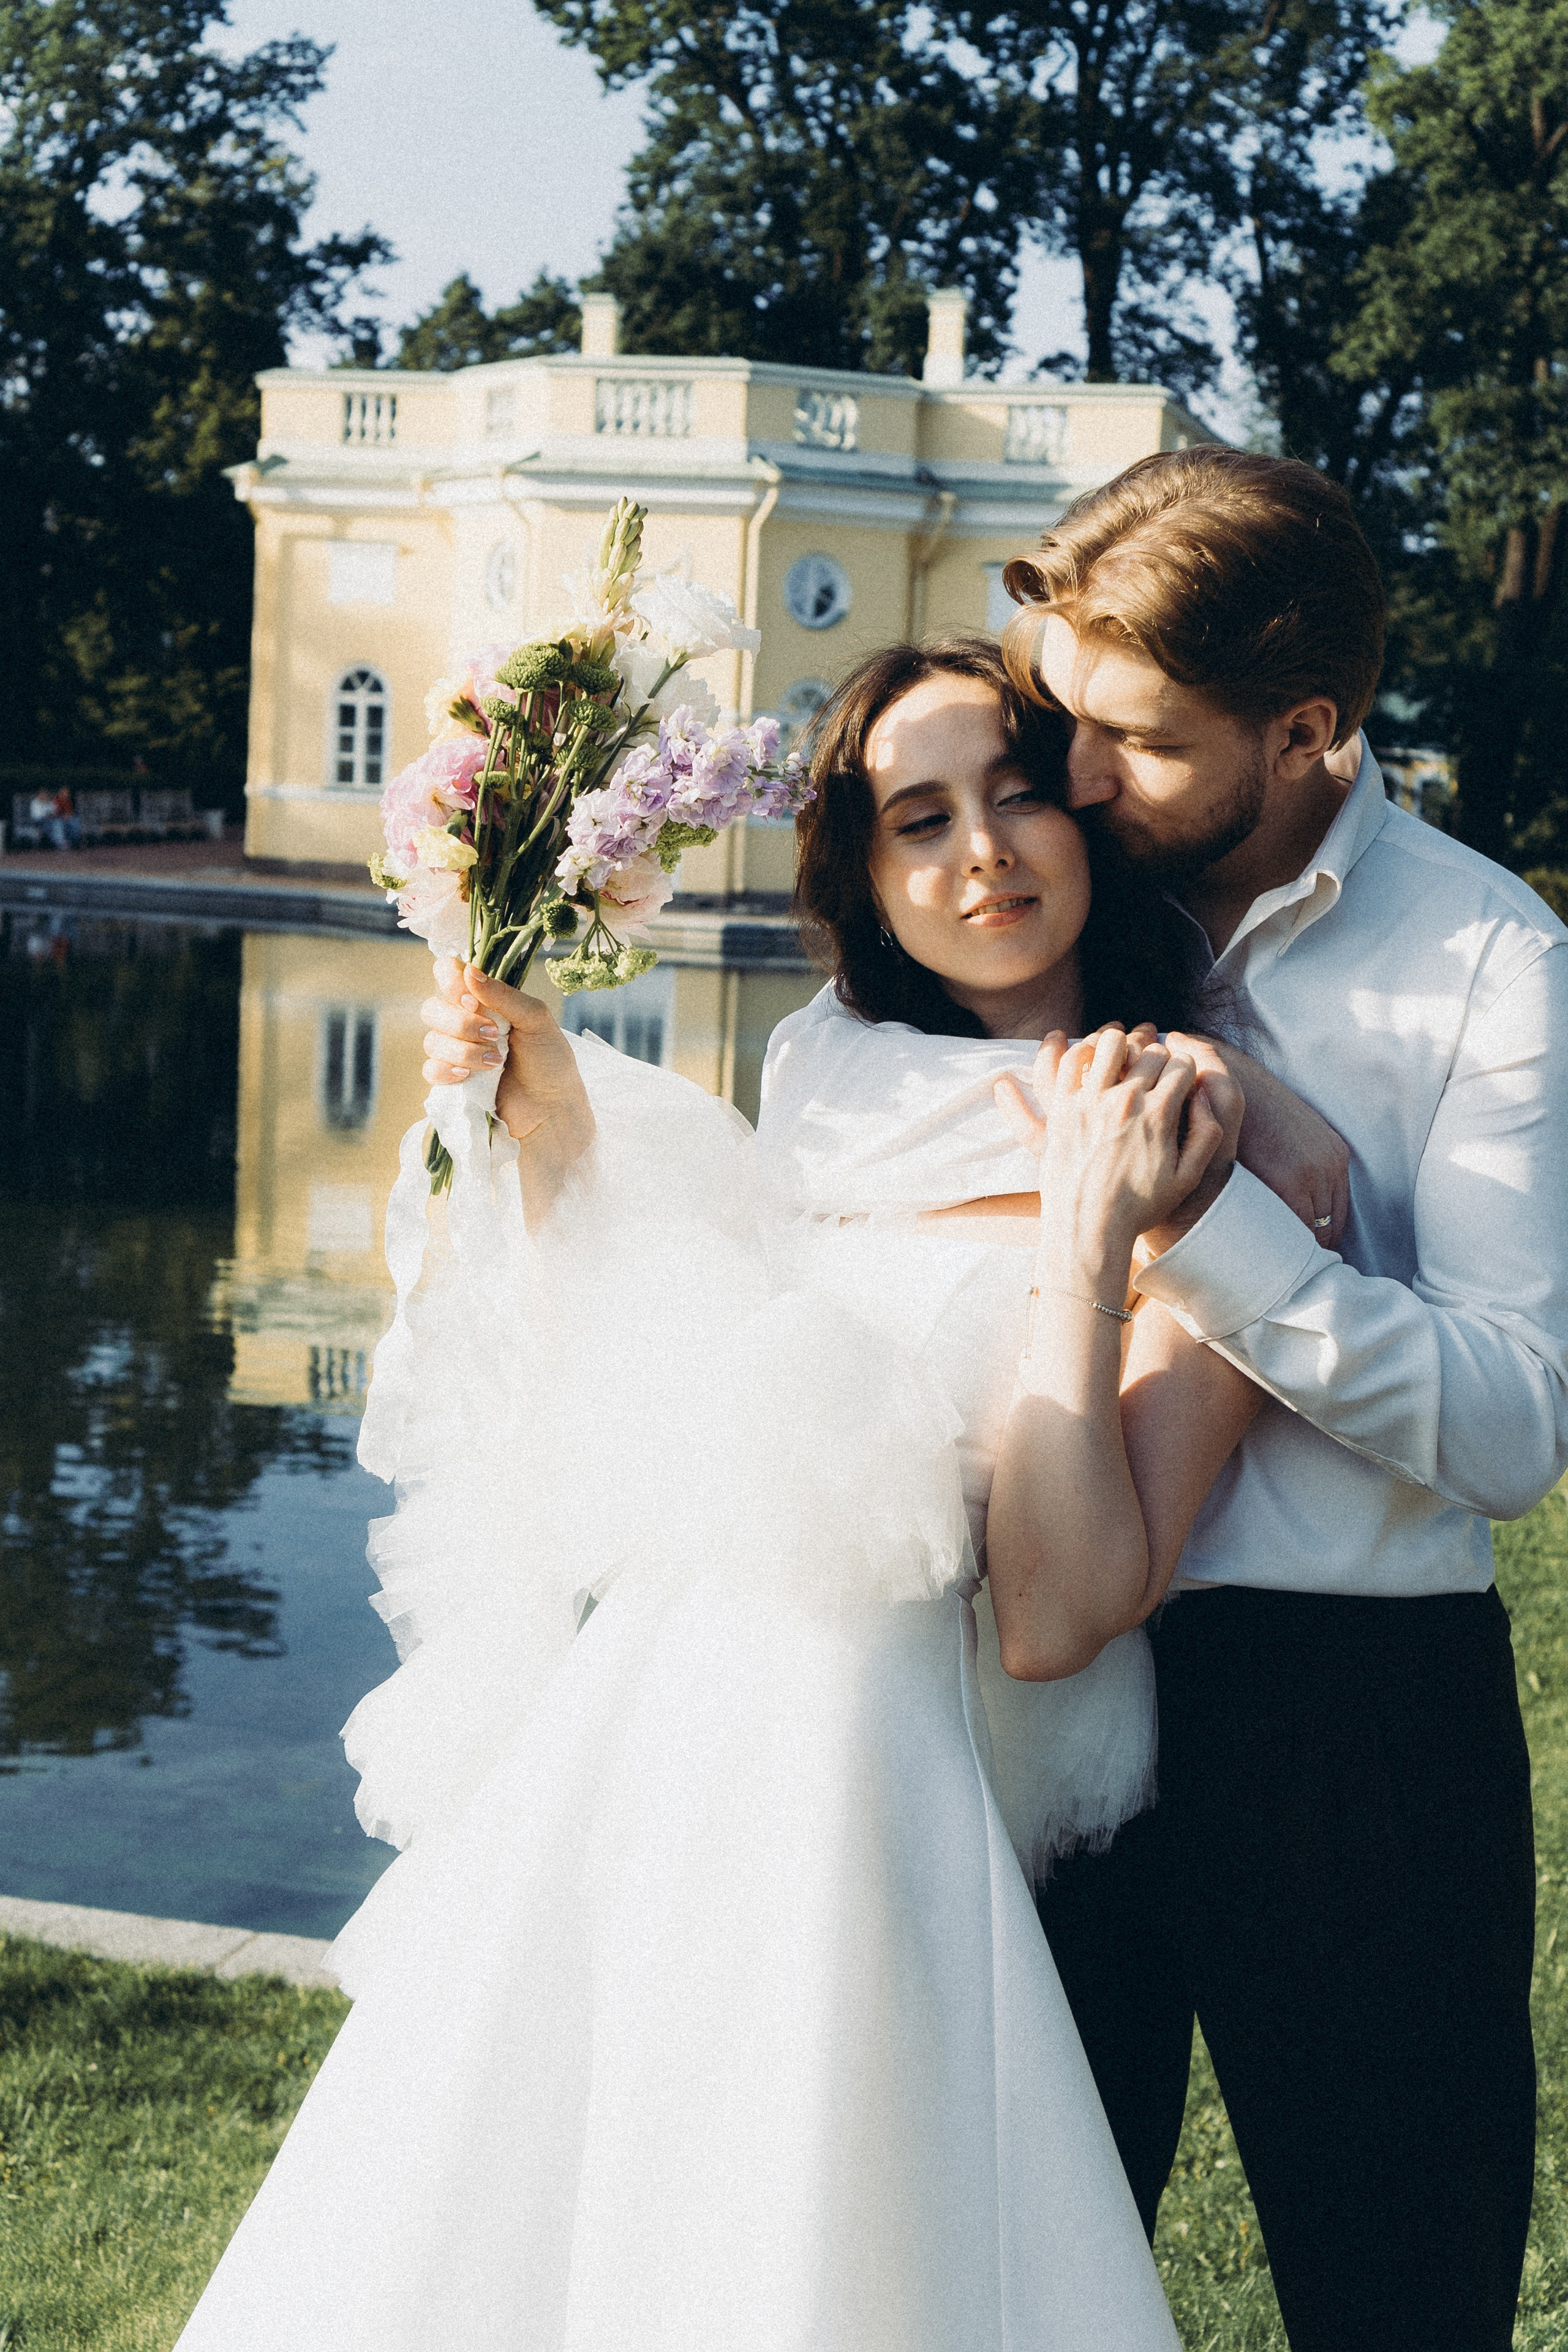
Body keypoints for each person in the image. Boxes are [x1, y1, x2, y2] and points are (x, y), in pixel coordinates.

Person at [173, 639, 1329, 2351]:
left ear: (1089, 813)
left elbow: (1065, 1607)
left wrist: (1090, 1239)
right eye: (917, 820)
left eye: (1017, 793)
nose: (984, 856)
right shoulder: (827, 1085)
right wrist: (548, 1124)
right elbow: (673, 1402)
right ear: (864, 880)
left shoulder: (1198, 1121)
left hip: (896, 1772)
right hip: (668, 1733)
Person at [1001, 447, 1568, 2352]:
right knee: (999, 2293)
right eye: (1062, 718)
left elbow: (1513, 1430)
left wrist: (1223, 1234)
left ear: (1310, 730)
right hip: (1038, 1707)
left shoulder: (1495, 956)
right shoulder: (1041, 900)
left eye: (1137, 744)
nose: (1069, 783)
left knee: (1398, 2301)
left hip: (1360, 1732)